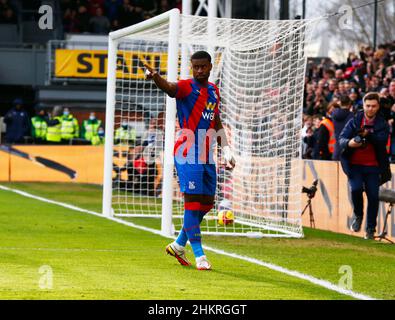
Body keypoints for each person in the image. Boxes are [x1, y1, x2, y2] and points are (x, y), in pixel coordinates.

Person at [144, 51, 235, 270]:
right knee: (192, 203)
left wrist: (226, 147)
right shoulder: (186, 86)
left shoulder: (213, 91)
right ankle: (200, 256)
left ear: (210, 66)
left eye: (203, 66)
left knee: (206, 204)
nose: (200, 70)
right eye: (196, 67)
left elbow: (216, 121)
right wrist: (156, 77)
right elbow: (170, 88)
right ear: (191, 67)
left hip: (206, 153)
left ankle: (178, 245)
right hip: (187, 151)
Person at [339, 92, 392, 240]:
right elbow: (342, 139)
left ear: (378, 106)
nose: (370, 109)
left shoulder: (382, 124)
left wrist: (367, 135)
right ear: (363, 105)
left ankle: (370, 229)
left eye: (374, 106)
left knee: (373, 197)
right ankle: (358, 215)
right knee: (355, 189)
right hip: (354, 165)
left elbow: (381, 142)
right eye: (368, 105)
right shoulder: (354, 121)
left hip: (373, 166)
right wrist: (351, 143)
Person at [332, 96, 353, 160]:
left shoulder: (334, 113)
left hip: (337, 148)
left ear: (340, 103)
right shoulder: (352, 115)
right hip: (348, 147)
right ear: (349, 103)